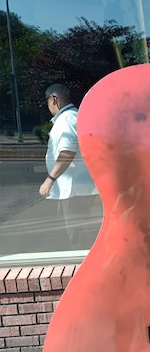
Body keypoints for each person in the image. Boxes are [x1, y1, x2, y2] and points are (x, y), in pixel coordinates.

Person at [39, 83, 100, 249]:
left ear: (54, 99)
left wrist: (50, 179)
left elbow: (67, 153)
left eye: (47, 102)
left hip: (74, 190)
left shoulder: (65, 121)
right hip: (78, 188)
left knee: (77, 234)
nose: (48, 106)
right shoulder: (74, 116)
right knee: (82, 230)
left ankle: (80, 267)